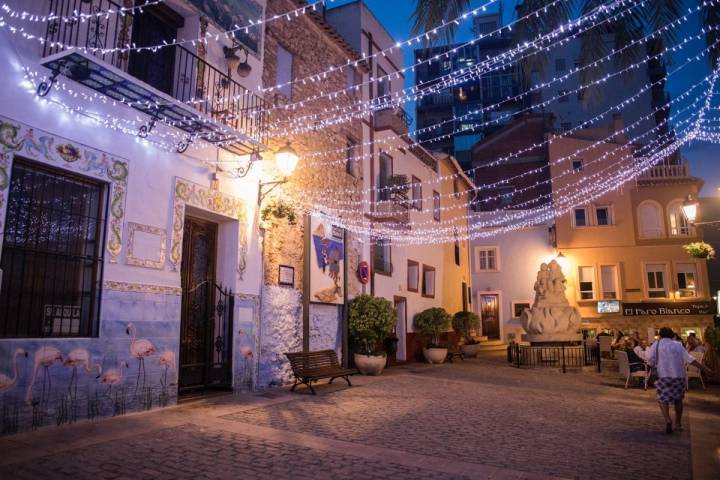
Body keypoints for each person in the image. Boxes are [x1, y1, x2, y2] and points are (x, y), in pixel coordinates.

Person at [646, 327, 712, 434]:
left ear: (660, 336)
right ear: (672, 335)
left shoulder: (656, 345)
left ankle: (668, 420)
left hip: (663, 376)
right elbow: (689, 359)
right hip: (678, 376)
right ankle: (678, 424)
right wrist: (705, 369)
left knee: (663, 399)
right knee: (678, 400)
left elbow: (649, 359)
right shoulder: (678, 345)